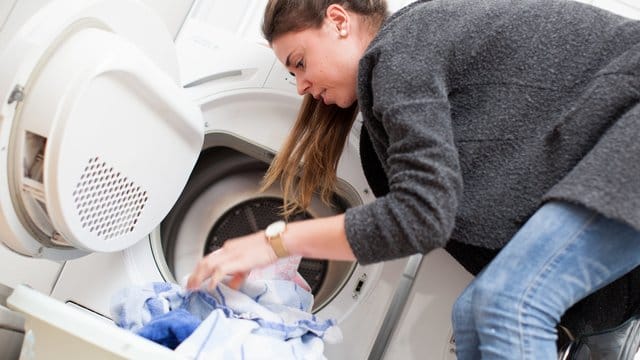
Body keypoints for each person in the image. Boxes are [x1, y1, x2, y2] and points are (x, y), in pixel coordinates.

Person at [187, 0, 640, 357]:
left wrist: (271, 242)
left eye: (300, 61)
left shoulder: (402, 50)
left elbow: (423, 216)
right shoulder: (383, 126)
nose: (301, 86)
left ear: (339, 21)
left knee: (507, 306)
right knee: (473, 314)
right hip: (611, 154)